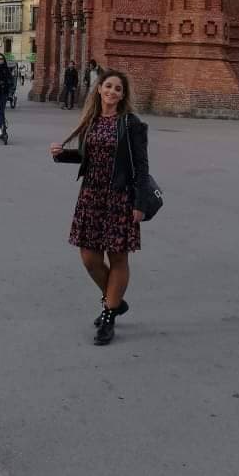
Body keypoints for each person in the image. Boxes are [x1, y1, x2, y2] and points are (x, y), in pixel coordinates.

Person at [49, 70, 150, 345]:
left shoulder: (131, 125)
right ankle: (115, 300)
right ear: (99, 90)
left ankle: (108, 314)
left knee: (118, 258)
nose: (112, 92)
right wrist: (63, 155)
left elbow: (141, 168)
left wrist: (139, 203)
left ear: (123, 95)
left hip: (119, 198)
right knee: (89, 258)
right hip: (91, 197)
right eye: (108, 86)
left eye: (118, 89)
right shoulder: (91, 122)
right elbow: (88, 158)